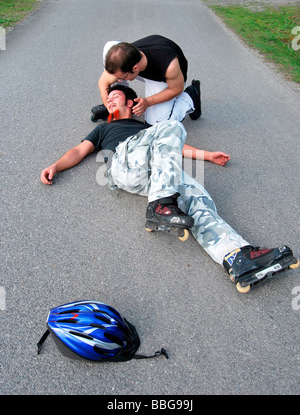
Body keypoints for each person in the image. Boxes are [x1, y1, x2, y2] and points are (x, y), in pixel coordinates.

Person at [42, 85, 299, 293]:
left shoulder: (148, 129)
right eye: (107, 98)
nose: (109, 100)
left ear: (131, 102)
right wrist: (56, 166)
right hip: (122, 163)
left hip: (151, 176)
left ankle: (236, 257)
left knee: (196, 194)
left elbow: (174, 146)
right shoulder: (104, 128)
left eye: (115, 96)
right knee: (173, 127)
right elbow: (79, 150)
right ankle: (159, 206)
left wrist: (208, 155)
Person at [91, 35, 202, 126]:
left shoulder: (169, 66)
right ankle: (122, 105)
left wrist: (148, 102)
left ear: (135, 68)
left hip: (166, 81)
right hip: (140, 70)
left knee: (156, 124)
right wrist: (110, 106)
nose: (118, 81)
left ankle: (190, 97)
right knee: (110, 47)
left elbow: (176, 89)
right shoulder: (128, 56)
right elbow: (103, 83)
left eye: (122, 77)